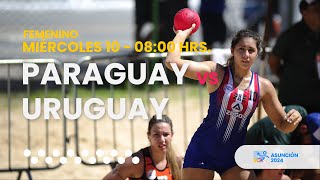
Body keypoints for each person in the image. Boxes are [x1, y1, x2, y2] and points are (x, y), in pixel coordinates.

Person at [165, 26, 302, 179]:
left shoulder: (264, 87)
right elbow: (172, 62)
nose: (246, 55)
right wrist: (181, 35)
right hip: (203, 149)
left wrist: (294, 119)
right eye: (241, 49)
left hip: (234, 155)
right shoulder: (215, 73)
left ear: (257, 54)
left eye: (251, 50)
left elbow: (284, 125)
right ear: (232, 50)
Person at [268, 0, 320, 113]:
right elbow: (273, 61)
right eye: (316, 10)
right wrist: (286, 76)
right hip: (295, 101)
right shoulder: (291, 35)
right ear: (304, 12)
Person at [102, 115, 181, 180]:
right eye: (156, 135)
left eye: (166, 134)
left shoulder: (176, 161)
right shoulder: (136, 162)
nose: (162, 139)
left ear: (172, 135)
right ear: (149, 136)